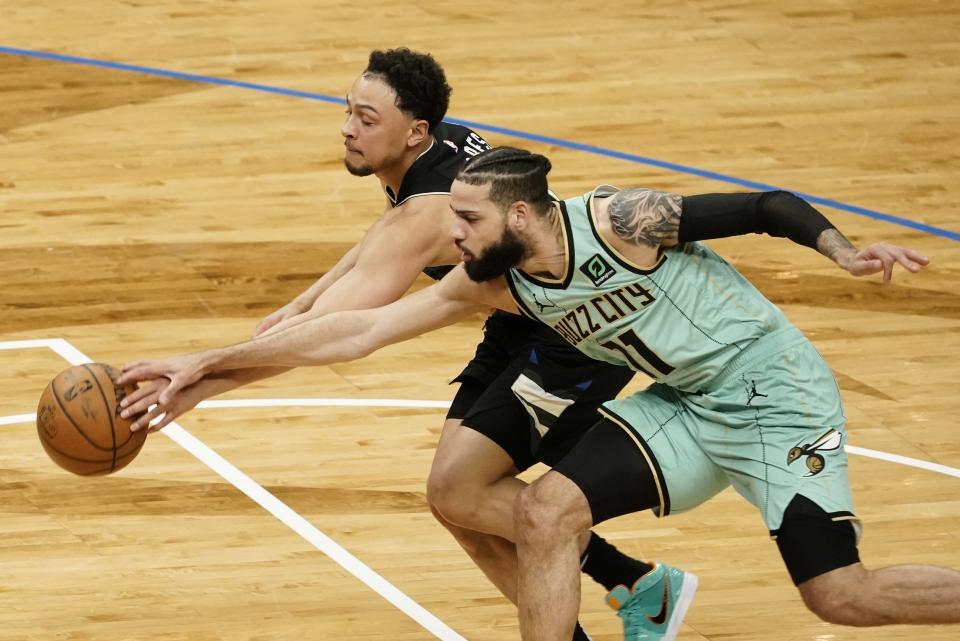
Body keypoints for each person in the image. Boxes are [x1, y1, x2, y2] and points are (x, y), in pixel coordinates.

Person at [119, 146, 958, 641]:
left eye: (468, 223)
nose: (453, 239)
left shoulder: (622, 221)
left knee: (838, 595)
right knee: (545, 511)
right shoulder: (497, 283)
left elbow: (766, 205)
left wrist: (843, 251)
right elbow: (356, 331)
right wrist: (207, 364)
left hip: (776, 397)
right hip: (686, 405)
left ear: (520, 218)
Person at [121, 49, 677, 641]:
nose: (347, 128)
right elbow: (376, 247)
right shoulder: (444, 147)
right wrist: (299, 304)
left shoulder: (427, 212)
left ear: (414, 131)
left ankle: (634, 587)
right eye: (347, 112)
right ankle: (637, 586)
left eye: (366, 118)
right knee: (453, 503)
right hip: (514, 325)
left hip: (576, 336)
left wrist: (201, 375)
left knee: (460, 491)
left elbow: (336, 333)